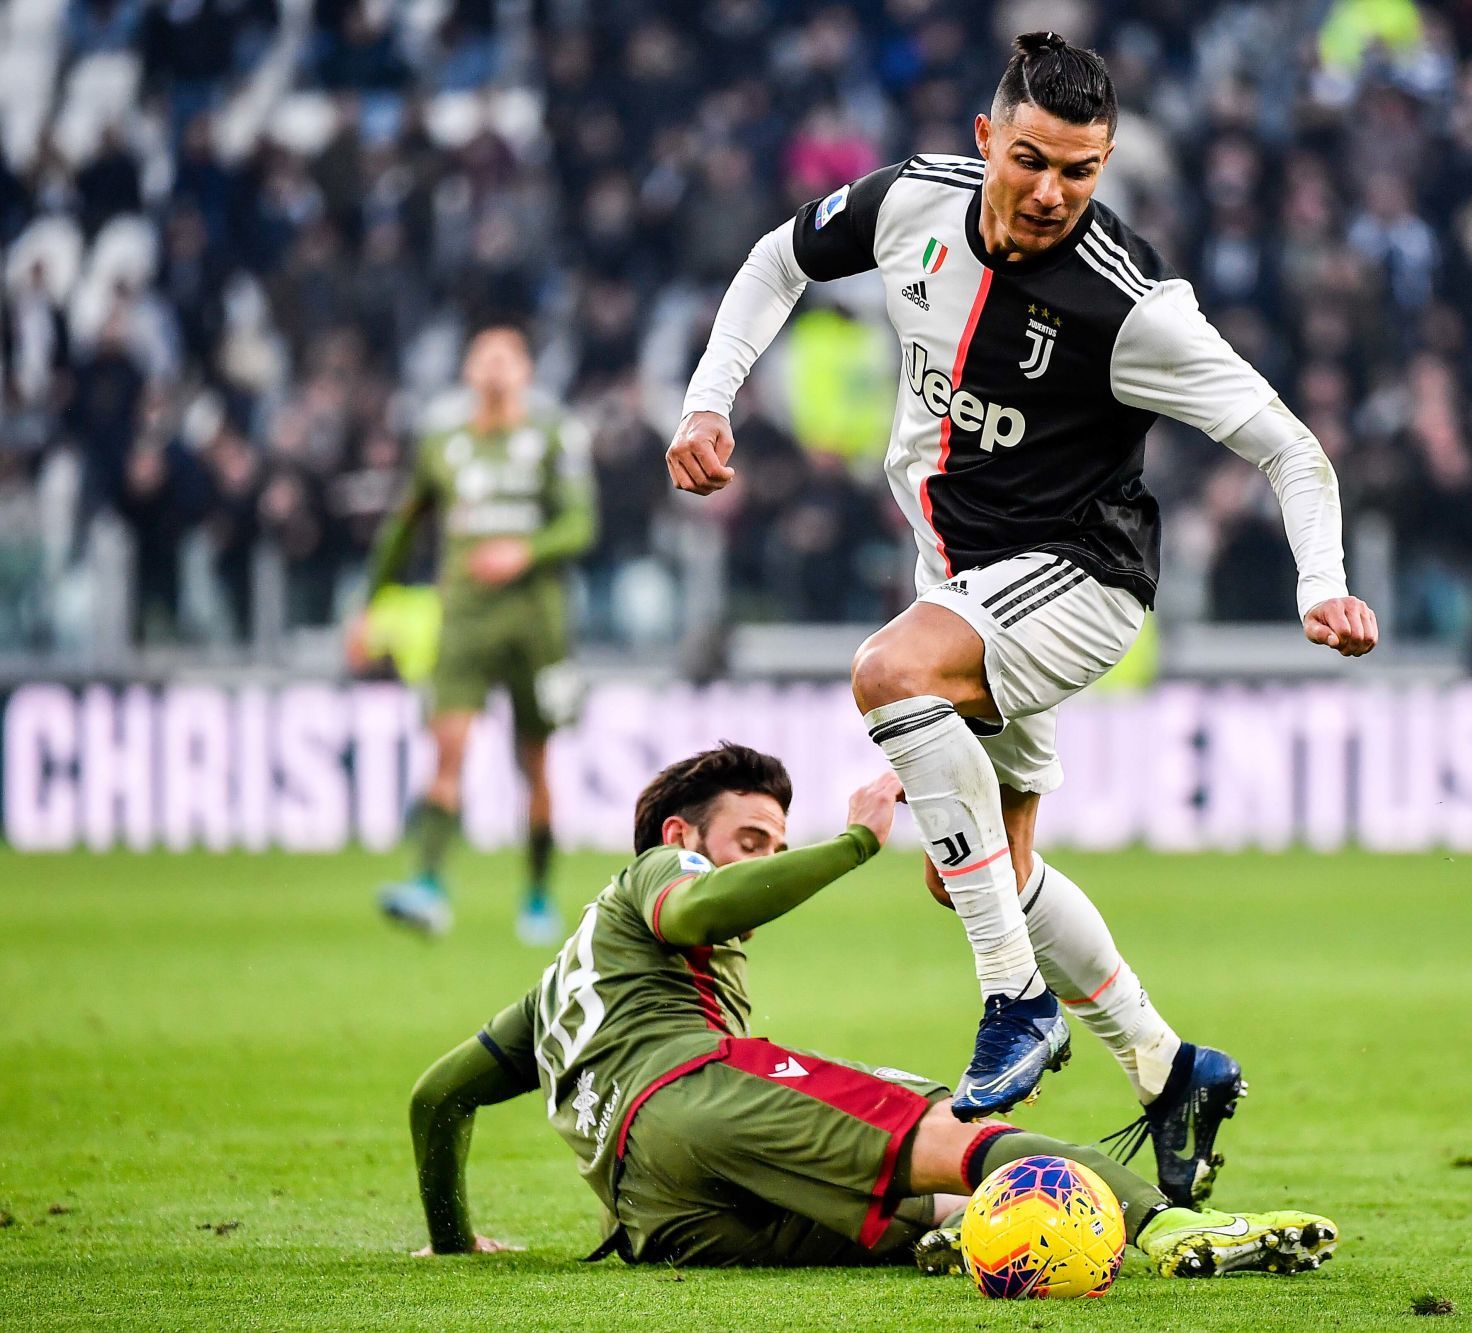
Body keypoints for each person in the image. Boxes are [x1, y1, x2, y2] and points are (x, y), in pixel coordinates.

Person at [667, 32, 1379, 1184]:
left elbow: (1293, 450)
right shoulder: (910, 205)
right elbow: (774, 261)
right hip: (962, 576)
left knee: (888, 675)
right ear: (987, 139)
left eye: (1082, 170)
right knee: (979, 866)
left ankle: (1015, 1002)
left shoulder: (1131, 307)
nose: (1053, 193)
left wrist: (1322, 583)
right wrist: (709, 402)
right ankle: (1165, 1063)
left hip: (1082, 578)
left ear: (1106, 168)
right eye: (1034, 160)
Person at [405, 743, 1339, 1278]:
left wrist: (453, 1244)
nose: (762, 857)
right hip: (689, 1094)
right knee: (946, 1128)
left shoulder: (564, 984)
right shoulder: (659, 871)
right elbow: (691, 904)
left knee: (913, 1217)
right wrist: (852, 841)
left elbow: (436, 1096)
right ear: (681, 834)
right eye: (749, 840)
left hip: (655, 1216)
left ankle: (976, 1234)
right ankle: (1173, 1225)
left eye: (775, 841)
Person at [350, 325, 598, 945]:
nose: (494, 369)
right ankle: (428, 887)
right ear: (467, 371)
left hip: (536, 623)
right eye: (483, 358)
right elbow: (404, 527)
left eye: (506, 358)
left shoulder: (552, 436)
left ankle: (538, 895)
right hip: (463, 618)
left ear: (525, 371)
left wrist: (525, 551)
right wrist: (370, 605)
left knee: (535, 762)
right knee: (449, 747)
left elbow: (580, 525)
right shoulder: (442, 443)